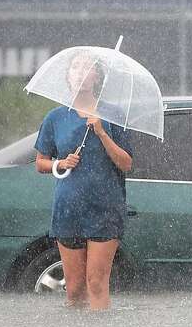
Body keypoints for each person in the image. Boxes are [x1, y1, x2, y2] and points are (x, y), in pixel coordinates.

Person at [34, 53, 133, 310]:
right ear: (68, 76)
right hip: (68, 209)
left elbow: (126, 163)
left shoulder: (113, 115)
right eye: (75, 67)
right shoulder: (55, 117)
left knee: (96, 283)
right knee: (75, 289)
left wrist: (101, 131)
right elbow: (40, 163)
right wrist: (61, 164)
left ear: (96, 77)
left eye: (87, 67)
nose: (80, 71)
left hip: (104, 209)